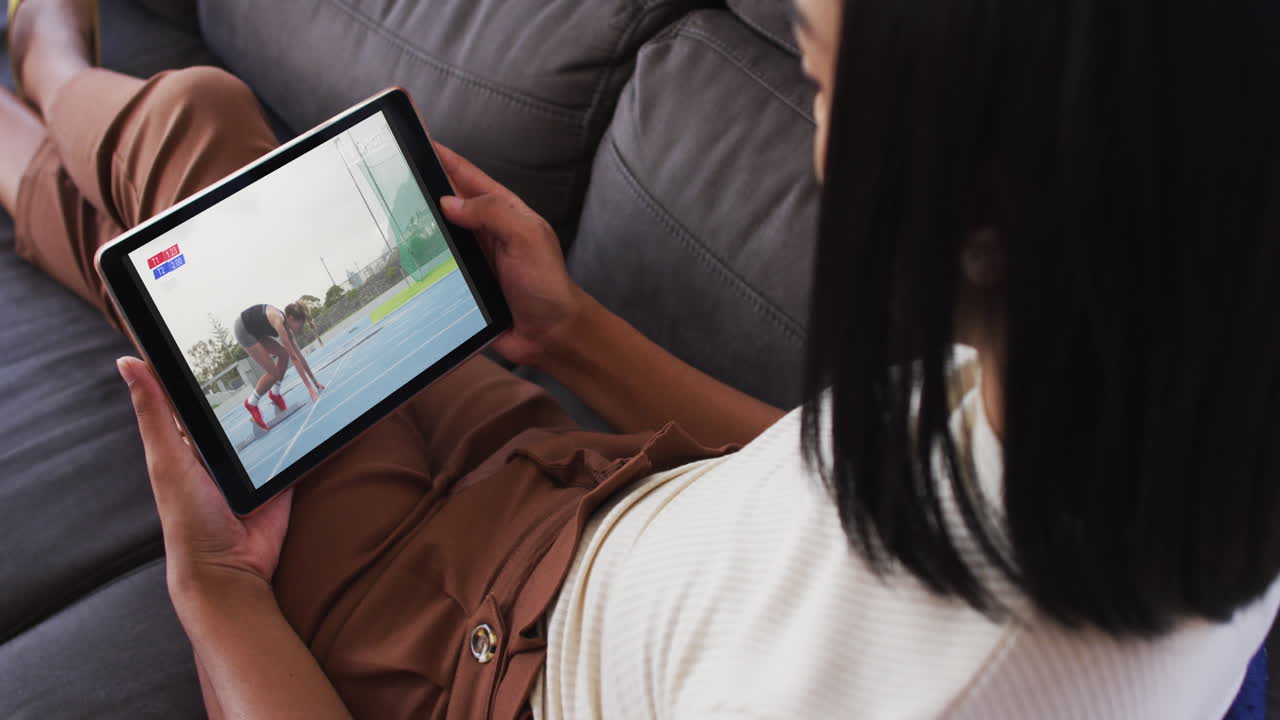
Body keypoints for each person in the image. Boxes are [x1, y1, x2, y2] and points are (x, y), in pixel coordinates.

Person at [4, 0, 1280, 717]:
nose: (815, 141)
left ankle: (40, 67)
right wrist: (569, 335)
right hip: (581, 490)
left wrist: (217, 590)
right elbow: (821, 489)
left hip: (458, 648)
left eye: (821, 87)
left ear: (982, 211)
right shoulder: (1156, 405)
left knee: (197, 128)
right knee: (211, 229)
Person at [233, 301, 324, 431]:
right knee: (273, 373)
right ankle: (251, 403)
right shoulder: (279, 322)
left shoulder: (286, 327)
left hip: (255, 329)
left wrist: (315, 383)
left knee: (283, 355)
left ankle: (275, 394)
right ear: (291, 318)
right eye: (300, 324)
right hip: (243, 329)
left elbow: (300, 357)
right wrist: (309, 389)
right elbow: (295, 359)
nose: (301, 328)